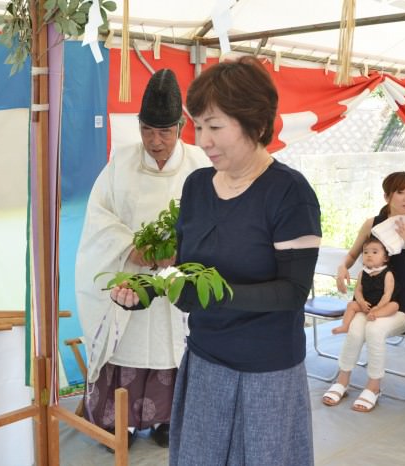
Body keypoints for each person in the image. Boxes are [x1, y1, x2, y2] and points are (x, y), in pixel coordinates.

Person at [111, 56, 321, 465]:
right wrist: (149, 290)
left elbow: (292, 292)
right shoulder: (197, 187)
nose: (203, 140)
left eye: (215, 126)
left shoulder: (289, 193)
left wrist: (213, 295)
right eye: (198, 126)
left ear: (256, 125)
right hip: (206, 359)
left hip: (266, 370)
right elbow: (187, 271)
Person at [74, 68, 209, 448]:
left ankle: (167, 420)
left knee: (174, 345)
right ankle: (120, 423)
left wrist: (184, 250)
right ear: (139, 126)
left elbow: (216, 220)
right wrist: (129, 246)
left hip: (176, 279)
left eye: (164, 132)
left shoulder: (200, 164)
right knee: (127, 344)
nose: (155, 141)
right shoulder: (121, 163)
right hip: (130, 277)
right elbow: (97, 217)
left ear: (180, 127)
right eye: (148, 130)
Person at [322, 171, 405, 412]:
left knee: (374, 330)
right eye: (401, 192)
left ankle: (373, 386)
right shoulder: (372, 224)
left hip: (401, 306)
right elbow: (353, 255)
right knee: (354, 329)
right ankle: (342, 380)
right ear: (387, 196)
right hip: (369, 302)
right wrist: (343, 267)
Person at [332, 236, 398, 335]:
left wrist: (378, 307)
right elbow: (358, 291)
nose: (369, 255)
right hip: (365, 304)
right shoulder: (362, 273)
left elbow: (387, 294)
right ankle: (345, 326)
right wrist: (361, 302)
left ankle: (374, 314)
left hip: (382, 304)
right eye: (366, 252)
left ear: (385, 258)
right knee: (351, 305)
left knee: (394, 306)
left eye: (374, 252)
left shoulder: (387, 274)